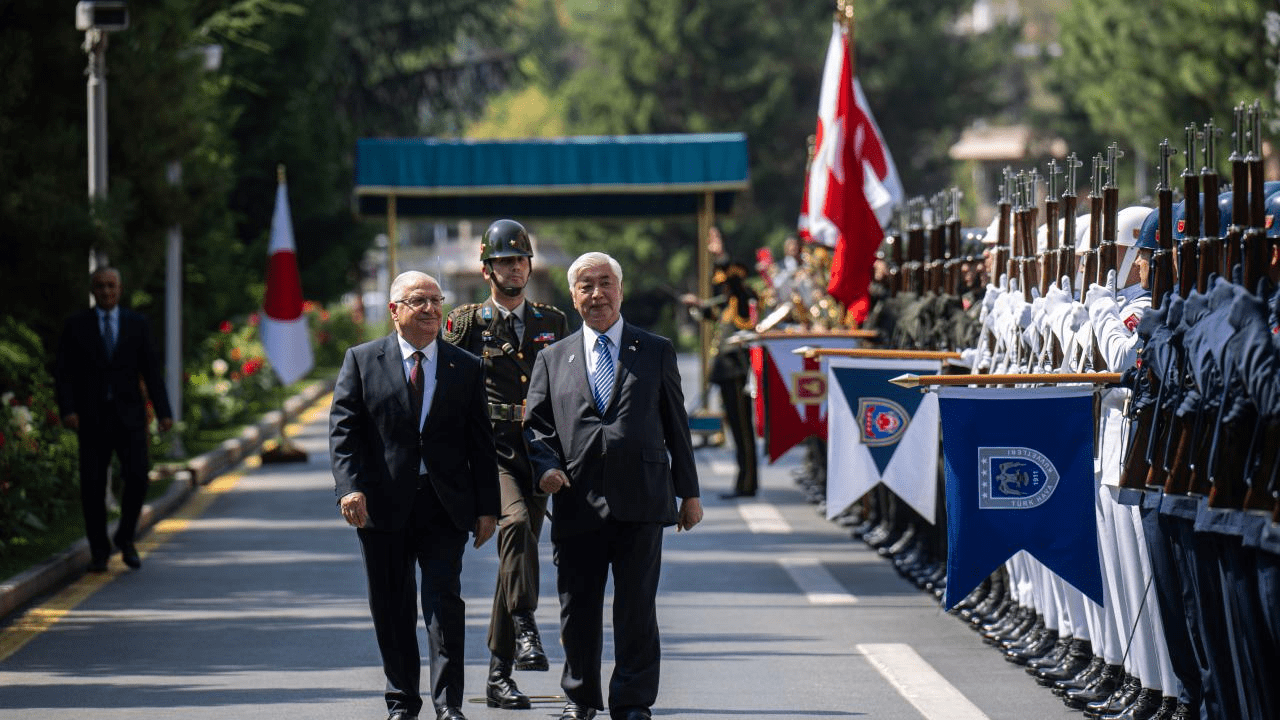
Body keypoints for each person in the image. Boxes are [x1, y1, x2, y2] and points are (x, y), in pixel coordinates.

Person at [525, 252, 703, 720]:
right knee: (577, 607)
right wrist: (544, 468)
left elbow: (675, 425)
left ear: (620, 290)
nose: (597, 294)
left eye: (605, 283)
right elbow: (536, 428)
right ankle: (580, 697)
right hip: (576, 498)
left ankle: (633, 699)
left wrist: (690, 492)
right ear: (573, 295)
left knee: (637, 607)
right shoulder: (551, 358)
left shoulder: (655, 350)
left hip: (642, 496)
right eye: (586, 286)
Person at [329, 271, 500, 720]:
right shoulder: (362, 360)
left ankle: (449, 705)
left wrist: (487, 508)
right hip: (381, 506)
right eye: (418, 301)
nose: (430, 309)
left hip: (444, 505)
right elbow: (343, 433)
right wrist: (350, 488)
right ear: (395, 311)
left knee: (444, 603)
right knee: (391, 605)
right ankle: (402, 699)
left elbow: (480, 443)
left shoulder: (464, 366)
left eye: (435, 300)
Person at [443, 219, 568, 710]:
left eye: (519, 260)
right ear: (486, 268)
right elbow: (446, 389)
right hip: (490, 452)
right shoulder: (467, 323)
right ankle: (525, 623)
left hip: (537, 452)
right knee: (513, 526)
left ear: (529, 265)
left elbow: (563, 389)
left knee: (513, 560)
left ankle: (498, 677)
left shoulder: (552, 323)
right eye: (502, 262)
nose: (512, 269)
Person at [55, 267, 173, 573]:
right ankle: (99, 551)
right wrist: (68, 409)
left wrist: (163, 412)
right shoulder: (76, 326)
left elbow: (150, 370)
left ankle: (126, 537)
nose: (106, 291)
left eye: (111, 286)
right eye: (100, 286)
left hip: (129, 418)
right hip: (91, 420)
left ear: (120, 289)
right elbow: (64, 373)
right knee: (92, 486)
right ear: (92, 291)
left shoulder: (137, 324)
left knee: (137, 477)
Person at [681, 227, 759, 498]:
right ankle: (742, 482)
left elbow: (735, 287)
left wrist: (721, 255)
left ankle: (748, 483)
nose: (723, 286)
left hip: (737, 373)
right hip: (727, 375)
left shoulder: (743, 299)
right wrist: (696, 304)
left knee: (743, 431)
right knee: (736, 430)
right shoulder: (728, 306)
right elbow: (709, 312)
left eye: (726, 281)